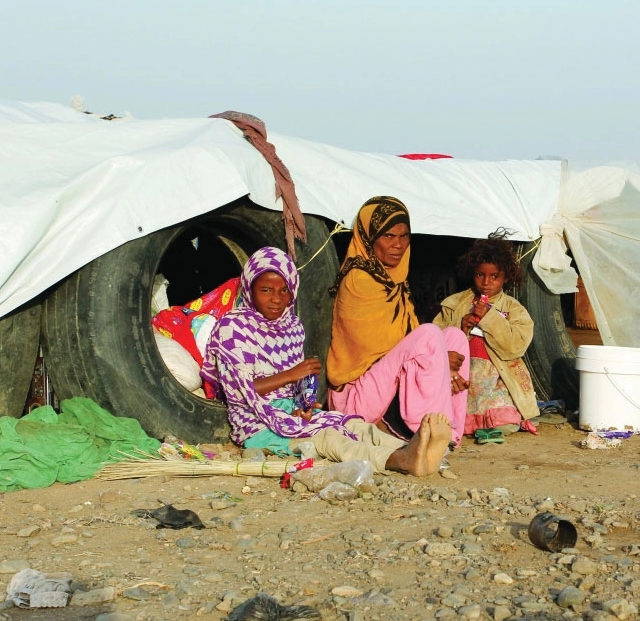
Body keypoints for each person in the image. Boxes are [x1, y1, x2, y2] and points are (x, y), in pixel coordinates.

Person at [201, 246, 450, 476]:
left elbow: (296, 386)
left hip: (289, 412)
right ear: (249, 289)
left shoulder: (291, 327)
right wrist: (293, 374)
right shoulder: (233, 328)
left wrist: (305, 403)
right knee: (329, 439)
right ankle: (399, 460)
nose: (276, 298)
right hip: (256, 424)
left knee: (353, 425)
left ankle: (421, 449)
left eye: (284, 290)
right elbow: (239, 391)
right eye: (266, 290)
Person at [326, 196, 469, 444]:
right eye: (389, 236)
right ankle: (421, 431)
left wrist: (443, 365)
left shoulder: (394, 279)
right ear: (370, 239)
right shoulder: (358, 280)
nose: (398, 245)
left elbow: (406, 342)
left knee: (454, 337)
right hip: (358, 398)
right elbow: (378, 351)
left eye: (404, 236)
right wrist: (440, 362)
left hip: (387, 387)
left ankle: (448, 431)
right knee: (430, 336)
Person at [433, 231, 539, 438]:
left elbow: (516, 346)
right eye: (480, 274)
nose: (486, 282)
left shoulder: (514, 309)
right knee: (455, 419)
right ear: (472, 272)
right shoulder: (454, 304)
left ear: (506, 277)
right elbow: (434, 338)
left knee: (505, 423)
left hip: (498, 377)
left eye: (494, 276)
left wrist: (490, 318)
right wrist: (459, 326)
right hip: (464, 374)